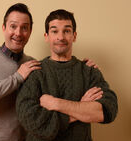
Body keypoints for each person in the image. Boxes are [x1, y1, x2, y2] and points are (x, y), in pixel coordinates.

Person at [0, 3, 99, 141]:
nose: (18, 33)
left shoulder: (34, 65)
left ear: (30, 32)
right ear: (4, 28)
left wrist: (84, 67)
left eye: (24, 28)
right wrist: (17, 78)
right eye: (13, 26)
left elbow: (46, 107)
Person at [16, 9, 118, 141]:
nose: (61, 37)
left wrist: (56, 103)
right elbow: (32, 121)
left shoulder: (89, 71)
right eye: (54, 31)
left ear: (74, 36)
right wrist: (81, 107)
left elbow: (107, 111)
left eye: (67, 31)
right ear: (46, 36)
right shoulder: (34, 72)